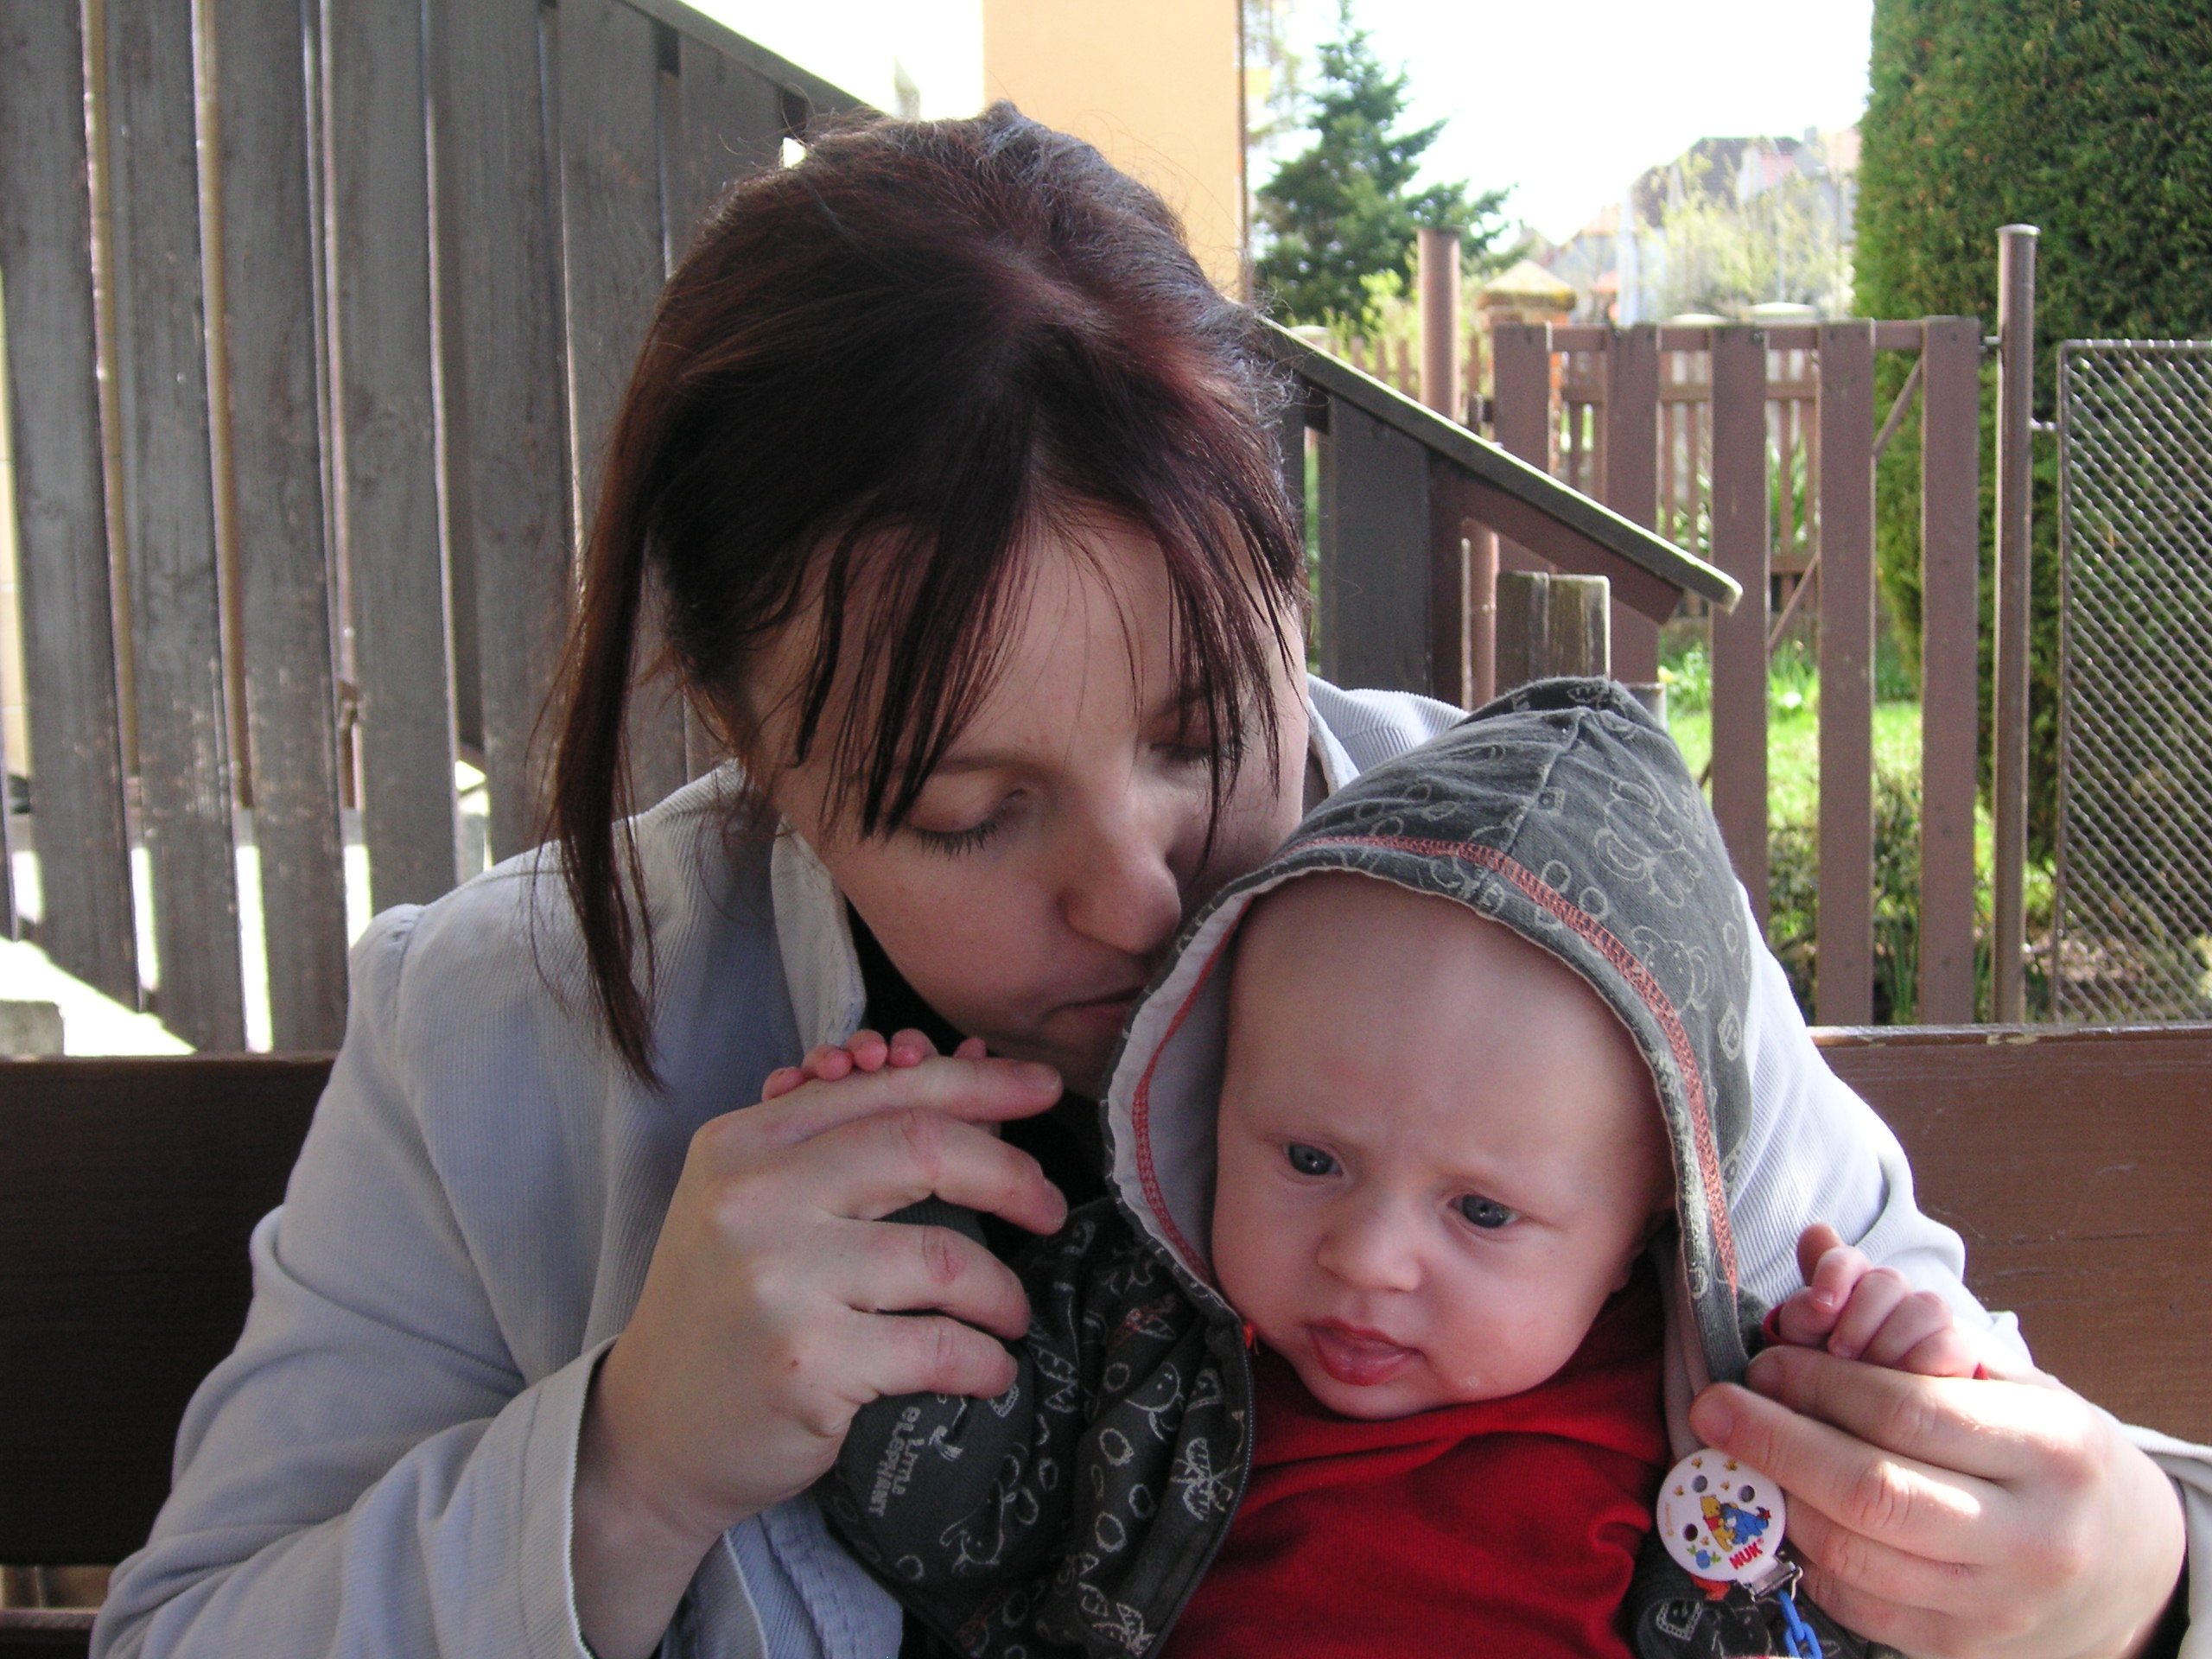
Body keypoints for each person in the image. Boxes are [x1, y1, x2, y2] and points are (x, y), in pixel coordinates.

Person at [90, 105, 2200, 1659]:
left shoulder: (1564, 919)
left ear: (1285, 584)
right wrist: (625, 1467)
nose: (1137, 894)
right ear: (753, 754)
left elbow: (1955, 1435)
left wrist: (2127, 1581)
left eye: (1204, 731)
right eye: (964, 811)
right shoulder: (509, 1034)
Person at [811, 682, 1980, 1659]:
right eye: (1310, 1158)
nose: (1367, 1258)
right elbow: (948, 1527)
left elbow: (1879, 1609)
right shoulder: (1132, 1321)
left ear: (1641, 1228)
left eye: (1482, 1211)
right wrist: (898, 1213)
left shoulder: (1723, 1422)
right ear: (1214, 1100)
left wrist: (1890, 1409)